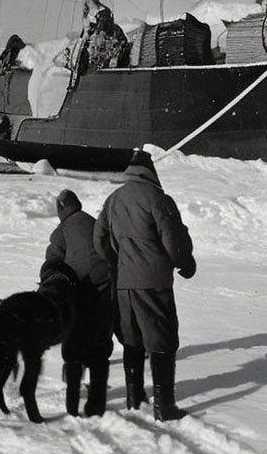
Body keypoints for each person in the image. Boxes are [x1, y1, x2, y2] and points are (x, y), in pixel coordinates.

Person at [93, 149, 196, 421]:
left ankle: (134, 397)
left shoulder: (113, 200)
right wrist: (185, 263)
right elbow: (173, 239)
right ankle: (164, 406)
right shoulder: (158, 199)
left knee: (132, 340)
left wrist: (119, 263)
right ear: (151, 173)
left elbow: (99, 240)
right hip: (153, 282)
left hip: (124, 284)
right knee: (162, 341)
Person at [45, 189, 114, 417]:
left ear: (61, 210)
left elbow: (52, 263)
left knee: (74, 346)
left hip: (77, 294)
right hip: (104, 290)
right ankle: (96, 404)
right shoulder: (94, 222)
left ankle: (72, 403)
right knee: (100, 347)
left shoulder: (61, 231)